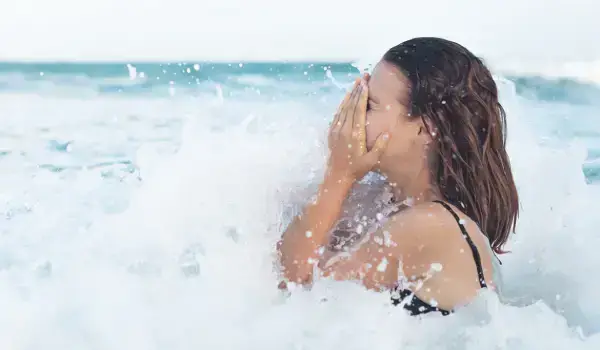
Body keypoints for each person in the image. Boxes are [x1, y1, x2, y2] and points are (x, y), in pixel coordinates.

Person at [276, 37, 519, 316]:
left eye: (370, 104)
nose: (349, 114)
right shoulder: (382, 200)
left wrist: (339, 173)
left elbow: (295, 288)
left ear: (426, 127)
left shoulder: (433, 224)